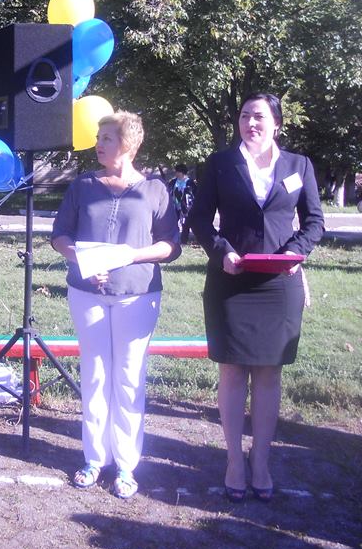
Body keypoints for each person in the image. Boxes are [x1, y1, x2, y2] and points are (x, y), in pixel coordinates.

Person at [189, 92, 324, 503]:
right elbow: (199, 218)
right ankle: (234, 460)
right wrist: (221, 251)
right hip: (231, 280)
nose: (251, 123)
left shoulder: (299, 165)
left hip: (279, 284)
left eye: (259, 116)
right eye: (245, 116)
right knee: (231, 371)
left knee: (268, 374)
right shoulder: (220, 163)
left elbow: (315, 222)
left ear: (276, 123)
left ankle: (260, 460)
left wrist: (294, 253)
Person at [51, 112, 180, 498]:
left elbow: (170, 245)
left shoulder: (155, 189)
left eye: (107, 137)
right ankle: (94, 459)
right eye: (98, 137)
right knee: (94, 375)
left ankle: (125, 465)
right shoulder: (82, 186)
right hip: (86, 293)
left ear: (129, 144)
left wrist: (130, 256)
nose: (98, 144)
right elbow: (59, 236)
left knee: (128, 378)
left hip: (137, 295)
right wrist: (81, 260)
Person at [167, 164, 197, 244]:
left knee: (185, 225)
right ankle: (172, 240)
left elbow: (194, 195)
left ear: (182, 172)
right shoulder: (173, 182)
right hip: (174, 206)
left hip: (185, 207)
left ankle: (184, 241)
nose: (176, 173)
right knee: (172, 223)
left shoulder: (190, 183)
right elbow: (168, 191)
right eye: (176, 171)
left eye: (178, 171)